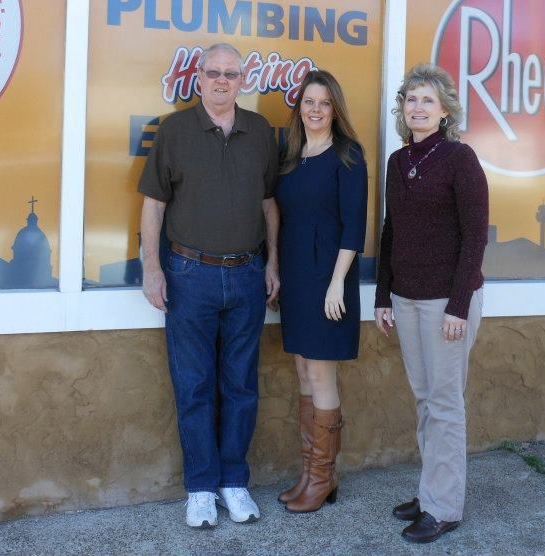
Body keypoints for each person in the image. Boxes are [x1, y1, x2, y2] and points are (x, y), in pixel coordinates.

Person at [138, 43, 281, 528]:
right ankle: (201, 488)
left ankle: (233, 483)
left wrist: (272, 263)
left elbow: (268, 205)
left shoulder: (259, 131)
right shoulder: (175, 130)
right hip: (188, 275)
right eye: (214, 72)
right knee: (194, 385)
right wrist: (151, 268)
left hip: (246, 274)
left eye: (232, 74)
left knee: (240, 385)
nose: (223, 81)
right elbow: (153, 205)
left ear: (243, 81)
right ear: (198, 78)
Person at [374, 63, 488, 544]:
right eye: (410, 99)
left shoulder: (460, 159)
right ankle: (431, 491)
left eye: (426, 100)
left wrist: (458, 304)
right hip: (407, 297)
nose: (416, 107)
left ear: (444, 111)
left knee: (444, 404)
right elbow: (391, 230)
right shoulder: (398, 162)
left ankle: (444, 507)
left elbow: (475, 236)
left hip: (447, 300)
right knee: (425, 399)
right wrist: (383, 295)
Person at [273, 70, 367, 513]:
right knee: (302, 372)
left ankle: (324, 477)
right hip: (295, 277)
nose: (315, 110)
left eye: (324, 103)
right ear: (300, 108)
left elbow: (354, 225)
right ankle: (311, 475)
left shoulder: (348, 155)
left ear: (335, 109)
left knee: (321, 376)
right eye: (308, 101)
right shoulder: (292, 155)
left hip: (330, 279)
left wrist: (336, 284)